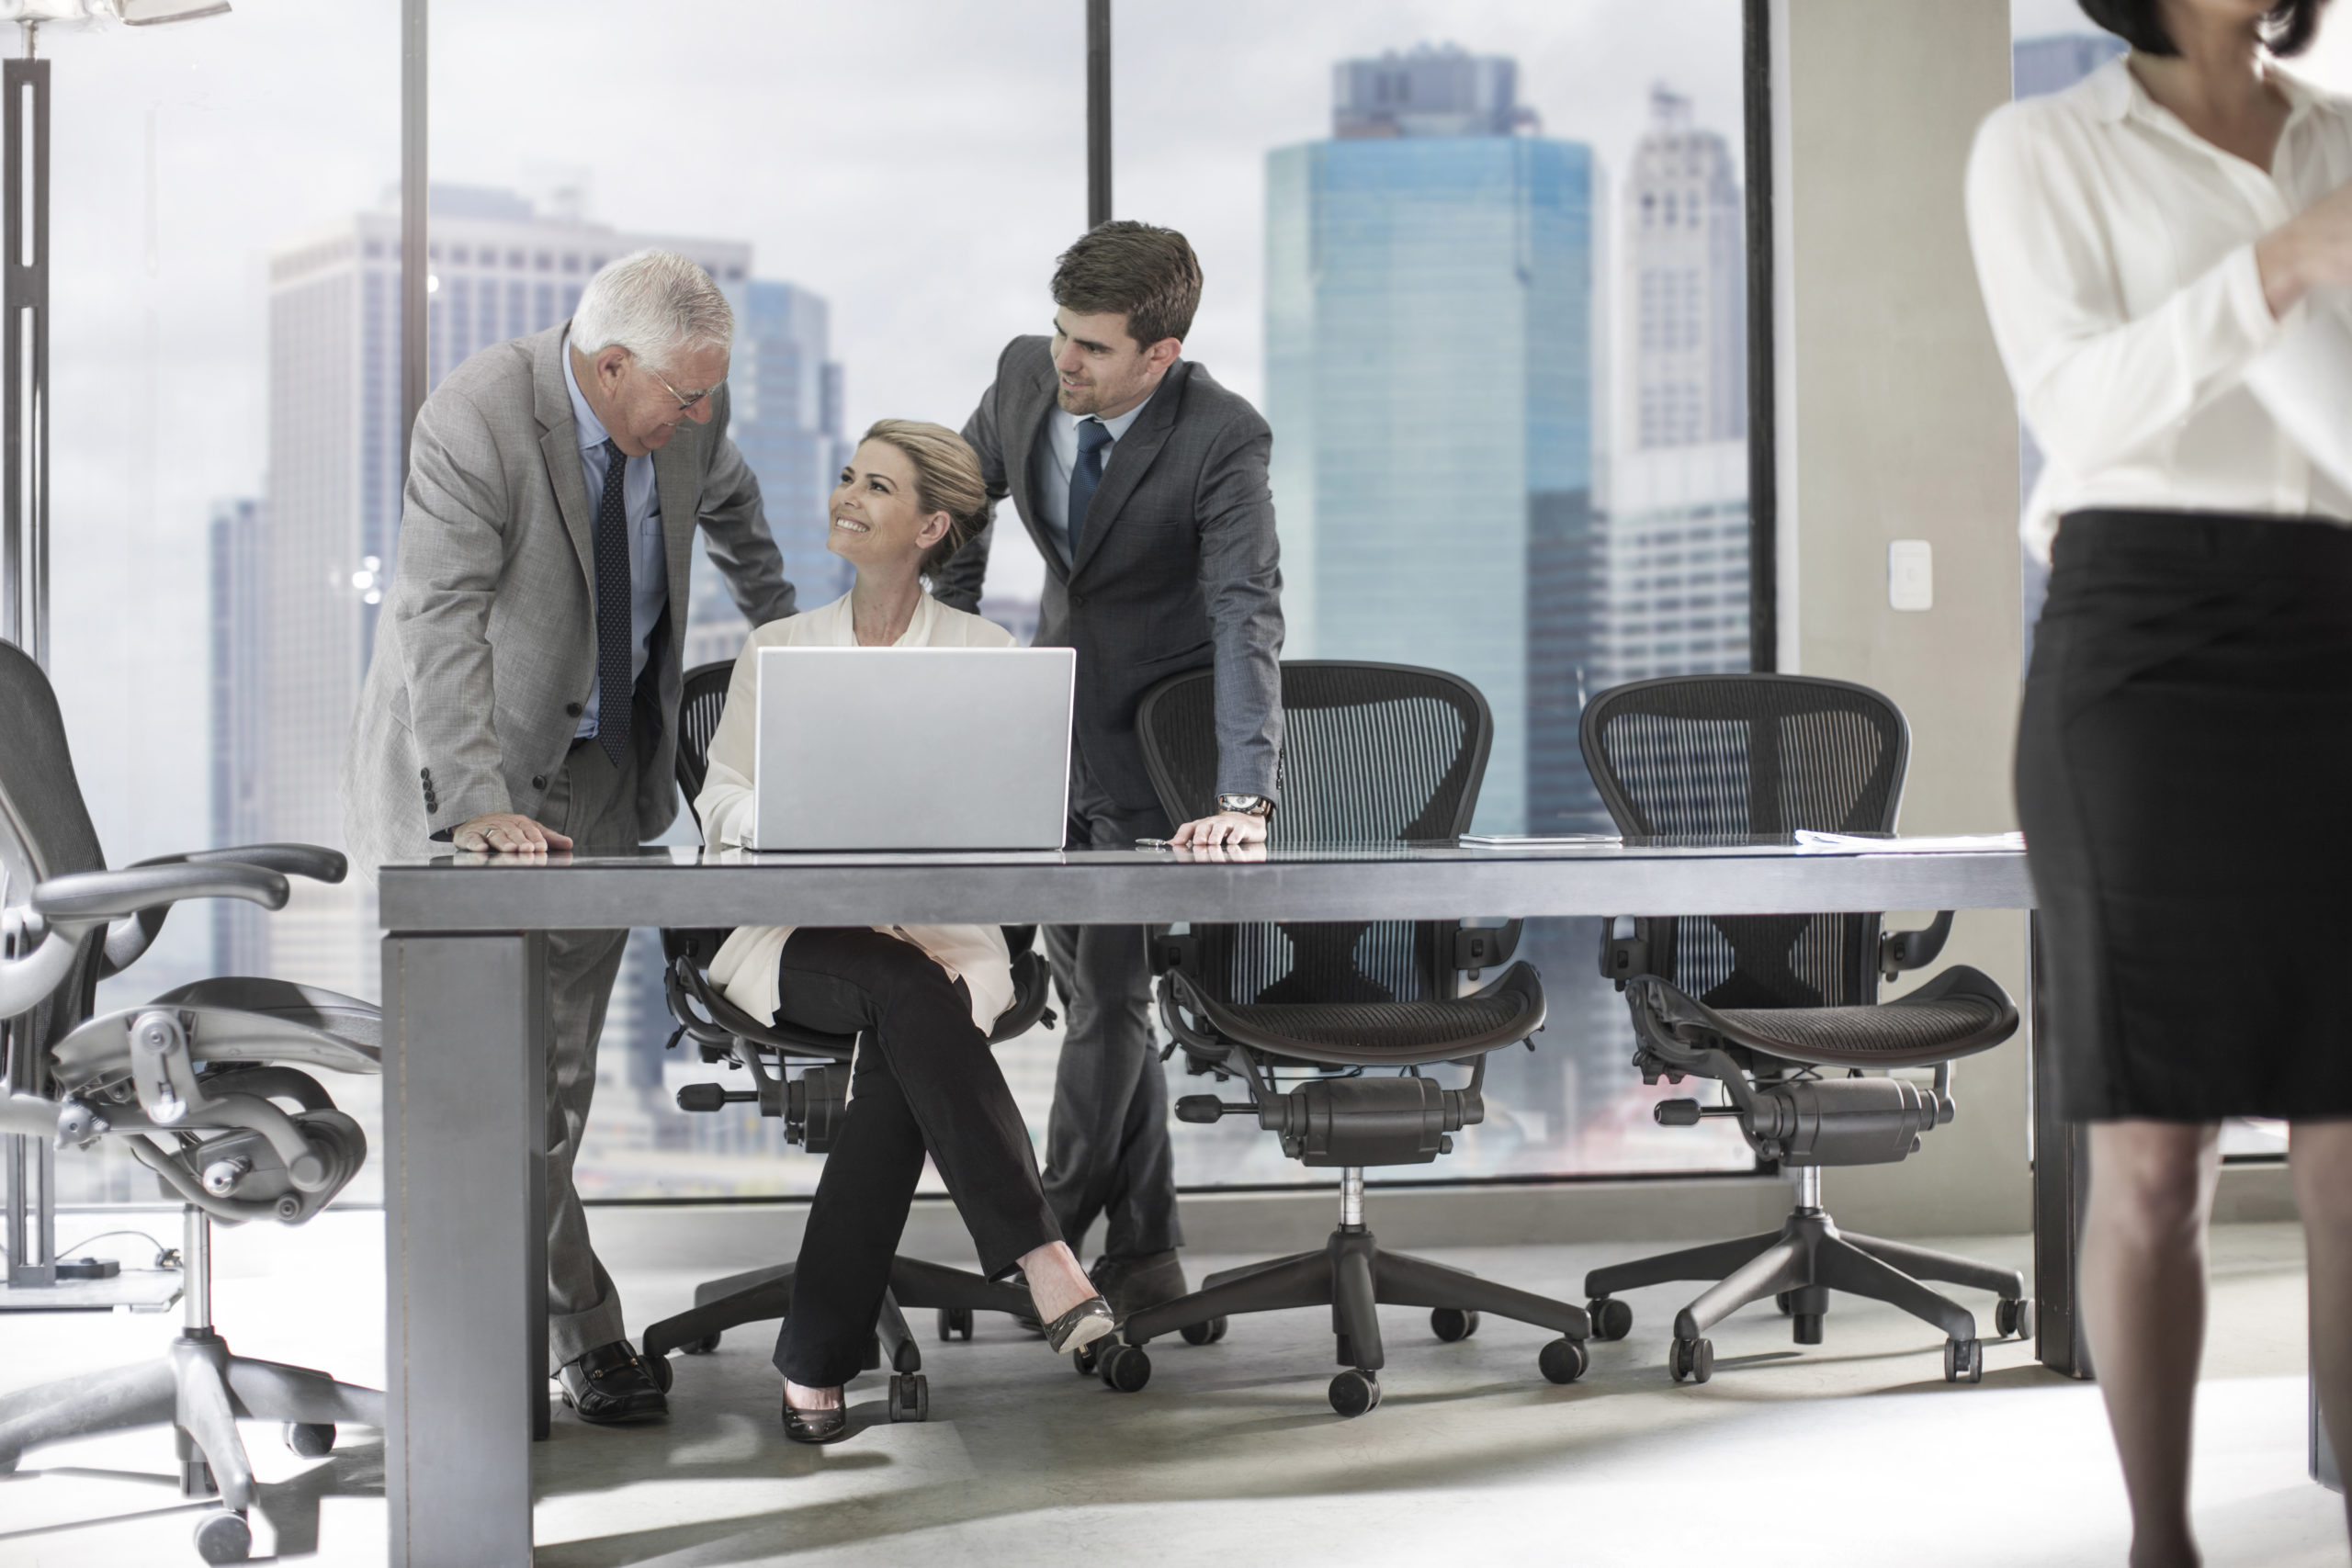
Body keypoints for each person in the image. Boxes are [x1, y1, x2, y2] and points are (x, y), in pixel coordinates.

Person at [1966, 0, 2352, 1561]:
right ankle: (2160, 1542)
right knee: (2152, 1147)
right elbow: (2082, 408)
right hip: (2142, 649)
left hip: (2340, 623)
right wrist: (2283, 259)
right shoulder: (2044, 144)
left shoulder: (2337, 131)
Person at [342, 249, 797, 1427]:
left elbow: (736, 509)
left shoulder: (690, 406)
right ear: (609, 367)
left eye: (708, 397)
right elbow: (437, 617)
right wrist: (476, 803)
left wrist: (796, 644)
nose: (699, 417)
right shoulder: (480, 418)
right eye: (683, 399)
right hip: (469, 775)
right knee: (481, 1083)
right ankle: (555, 1332)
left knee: (552, 1084)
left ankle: (530, 1331)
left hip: (599, 774)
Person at [695, 420, 1115, 1443]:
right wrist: (795, 817)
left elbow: (1019, 825)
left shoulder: (984, 657)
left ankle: (813, 1361)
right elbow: (721, 808)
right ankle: (1044, 1260)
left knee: (907, 1010)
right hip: (799, 942)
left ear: (930, 526)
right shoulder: (778, 650)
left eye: (874, 487)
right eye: (847, 477)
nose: (846, 497)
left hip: (941, 940)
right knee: (901, 990)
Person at [932, 222, 1284, 1319]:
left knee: (1111, 998)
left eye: (1091, 347)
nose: (1065, 362)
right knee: (1087, 984)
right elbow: (960, 500)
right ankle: (1148, 1250)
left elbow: (1244, 612)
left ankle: (1044, 1232)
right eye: (1059, 335)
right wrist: (953, 643)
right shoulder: (1024, 374)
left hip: (1159, 743)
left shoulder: (1222, 437)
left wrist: (1242, 794)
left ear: (1158, 355)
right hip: (1048, 727)